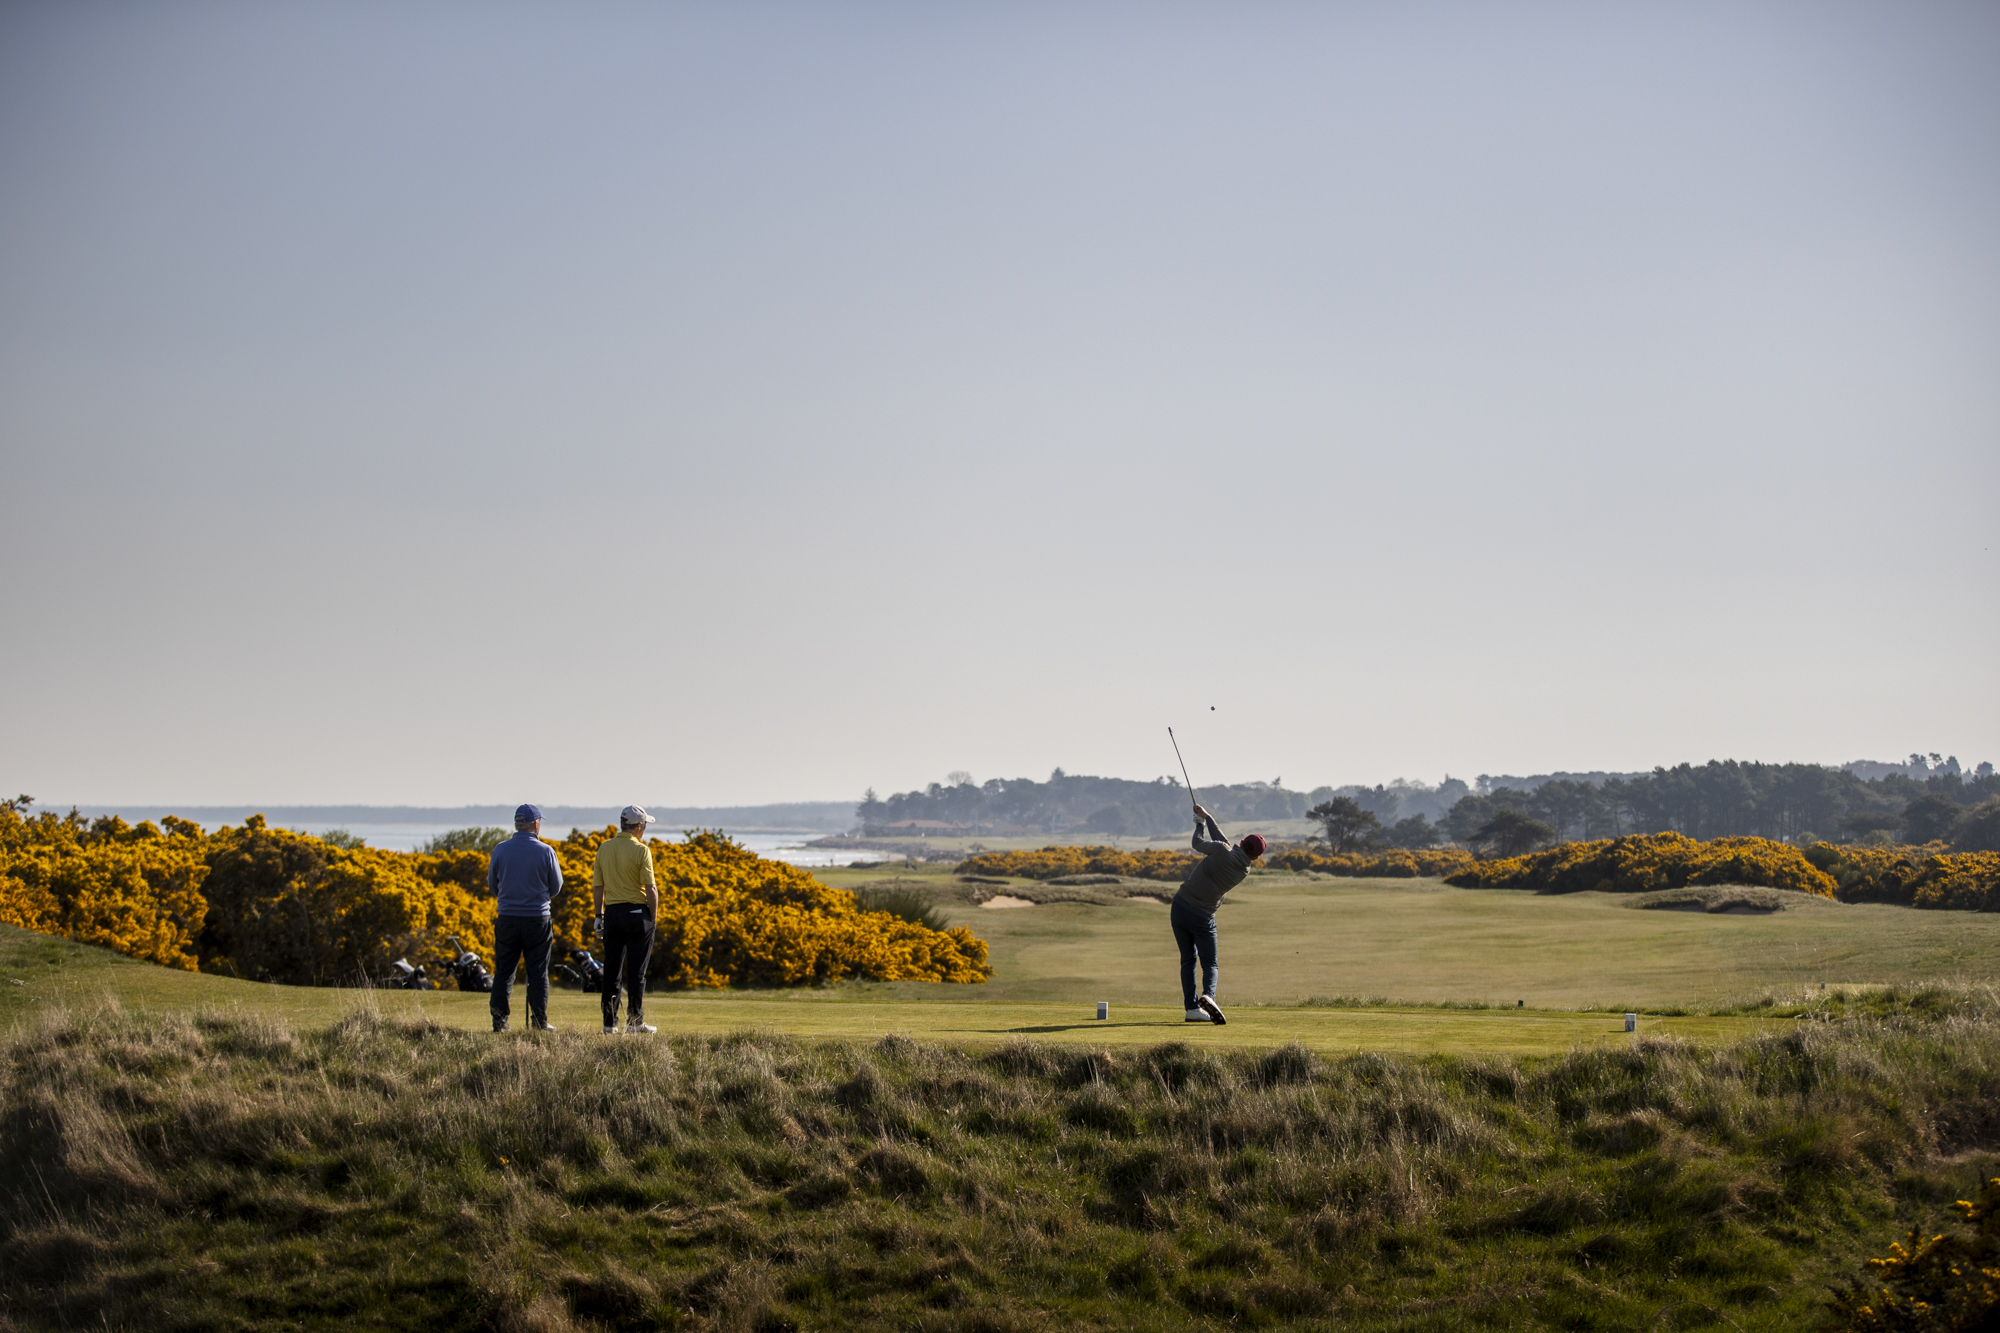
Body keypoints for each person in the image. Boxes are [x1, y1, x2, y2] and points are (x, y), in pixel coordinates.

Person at [1171, 802, 1265, 1025]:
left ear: (1242, 842)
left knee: (1188, 960)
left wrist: (1199, 824)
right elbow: (1223, 844)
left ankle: (1192, 1008)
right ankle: (1208, 998)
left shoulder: (1224, 850)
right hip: (1203, 917)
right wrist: (1208, 816)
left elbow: (1197, 843)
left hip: (1180, 907)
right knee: (1210, 964)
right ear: (1256, 858)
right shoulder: (1244, 870)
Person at [487, 802, 564, 1032]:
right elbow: (556, 886)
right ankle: (539, 1022)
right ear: (536, 825)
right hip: (537, 919)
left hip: (507, 917)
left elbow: (493, 886)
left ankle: (499, 1022)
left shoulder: (500, 849)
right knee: (538, 973)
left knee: (503, 972)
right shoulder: (546, 851)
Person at [592, 804, 661, 1035]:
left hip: (612, 914)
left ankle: (609, 1023)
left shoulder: (604, 848)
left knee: (611, 971)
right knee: (636, 972)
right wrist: (653, 918)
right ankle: (634, 1022)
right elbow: (651, 889)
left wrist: (598, 916)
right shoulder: (642, 850)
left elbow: (598, 887)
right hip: (636, 915)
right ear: (639, 826)